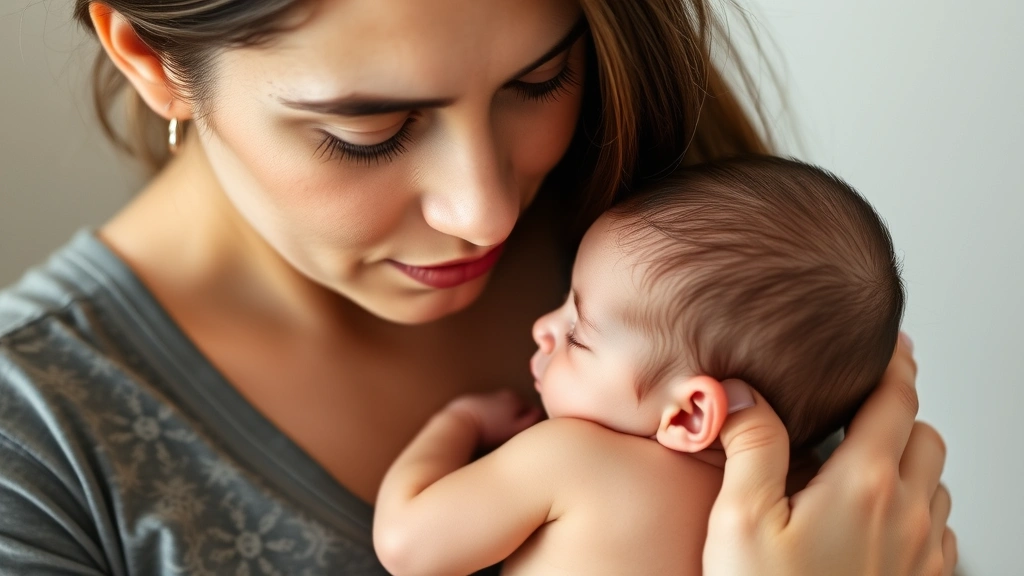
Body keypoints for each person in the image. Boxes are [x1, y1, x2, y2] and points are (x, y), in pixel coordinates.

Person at [0, 0, 954, 574]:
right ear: (151, 59)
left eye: (540, 81)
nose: (486, 213)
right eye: (369, 131)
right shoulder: (34, 447)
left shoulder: (685, 248)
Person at [373, 156, 907, 575]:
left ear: (690, 415)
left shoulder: (572, 459)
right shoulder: (813, 509)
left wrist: (461, 422)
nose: (544, 327)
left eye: (578, 334)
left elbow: (406, 547)